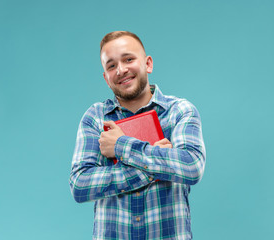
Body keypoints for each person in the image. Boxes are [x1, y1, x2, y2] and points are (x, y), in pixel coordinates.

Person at [69, 31, 206, 240]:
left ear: (148, 64)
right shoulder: (95, 118)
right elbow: (80, 184)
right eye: (111, 65)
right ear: (106, 78)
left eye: (128, 59)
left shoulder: (180, 111)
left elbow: (191, 166)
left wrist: (120, 145)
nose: (121, 70)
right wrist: (156, 165)